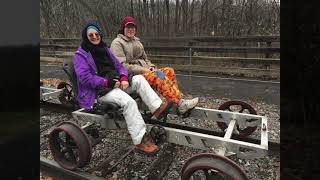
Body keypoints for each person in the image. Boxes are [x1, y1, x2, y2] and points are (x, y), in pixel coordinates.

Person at [73, 23, 173, 154]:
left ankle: (157, 108)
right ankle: (140, 140)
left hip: (117, 83)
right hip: (100, 91)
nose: (94, 37)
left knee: (139, 79)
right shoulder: (80, 55)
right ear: (85, 37)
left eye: (97, 34)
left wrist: (124, 78)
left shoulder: (105, 49)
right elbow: (85, 78)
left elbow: (120, 67)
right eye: (90, 35)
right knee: (129, 102)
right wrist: (107, 82)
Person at [111, 16, 199, 115]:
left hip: (146, 71)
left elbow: (145, 59)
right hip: (132, 76)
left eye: (133, 28)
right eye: (128, 27)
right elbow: (122, 66)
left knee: (168, 71)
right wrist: (144, 70)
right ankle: (179, 103)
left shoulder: (137, 41)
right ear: (123, 28)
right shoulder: (117, 43)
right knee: (157, 76)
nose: (131, 30)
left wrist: (152, 67)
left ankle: (178, 100)